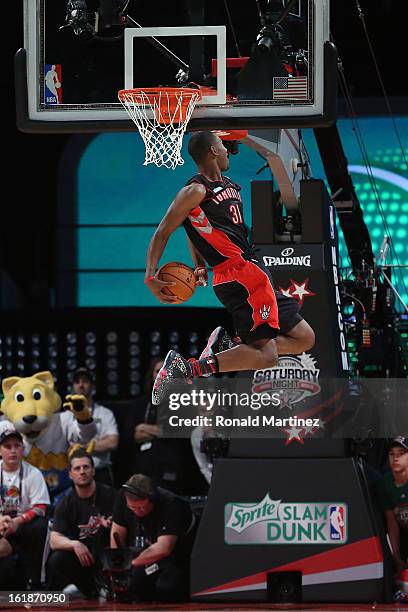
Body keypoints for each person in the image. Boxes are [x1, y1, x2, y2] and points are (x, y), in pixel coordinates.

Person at [144, 130, 315, 404]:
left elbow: (197, 228)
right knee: (267, 356)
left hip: (255, 270)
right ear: (213, 151)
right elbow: (165, 231)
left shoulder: (231, 186)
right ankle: (186, 368)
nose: (227, 151)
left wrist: (198, 265)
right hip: (238, 276)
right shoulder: (195, 190)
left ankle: (230, 345)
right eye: (223, 146)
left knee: (304, 338)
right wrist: (150, 276)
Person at [110, 473, 196, 602]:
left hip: (176, 557)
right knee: (131, 587)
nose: (137, 511)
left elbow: (164, 548)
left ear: (152, 499)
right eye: (132, 507)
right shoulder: (122, 496)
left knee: (167, 587)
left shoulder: (172, 505)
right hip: (142, 552)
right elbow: (117, 532)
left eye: (141, 507)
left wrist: (128, 563)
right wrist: (117, 564)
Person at [47, 449, 117, 598]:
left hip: (109, 554)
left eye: (86, 467)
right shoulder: (65, 503)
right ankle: (90, 589)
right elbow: (54, 540)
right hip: (84, 556)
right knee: (57, 559)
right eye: (77, 469)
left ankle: (111, 584)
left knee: (104, 533)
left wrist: (112, 525)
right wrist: (74, 544)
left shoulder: (111, 495)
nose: (82, 472)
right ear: (70, 475)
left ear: (93, 471)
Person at [0, 429, 50, 588]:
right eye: (7, 446)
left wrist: (18, 520)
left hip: (23, 524)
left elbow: (41, 507)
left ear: (23, 449)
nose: (13, 450)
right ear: (0, 451)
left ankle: (37, 581)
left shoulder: (33, 473)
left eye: (17, 445)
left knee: (42, 525)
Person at [72, 367, 119, 486]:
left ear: (92, 386)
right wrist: (98, 443)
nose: (81, 385)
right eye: (77, 382)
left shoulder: (105, 413)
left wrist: (83, 448)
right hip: (75, 473)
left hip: (100, 473)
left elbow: (112, 442)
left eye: (85, 381)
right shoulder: (67, 414)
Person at [375, 437, 408, 576]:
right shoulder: (384, 484)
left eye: (401, 453)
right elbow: (391, 521)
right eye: (392, 454)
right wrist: (396, 557)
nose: (395, 458)